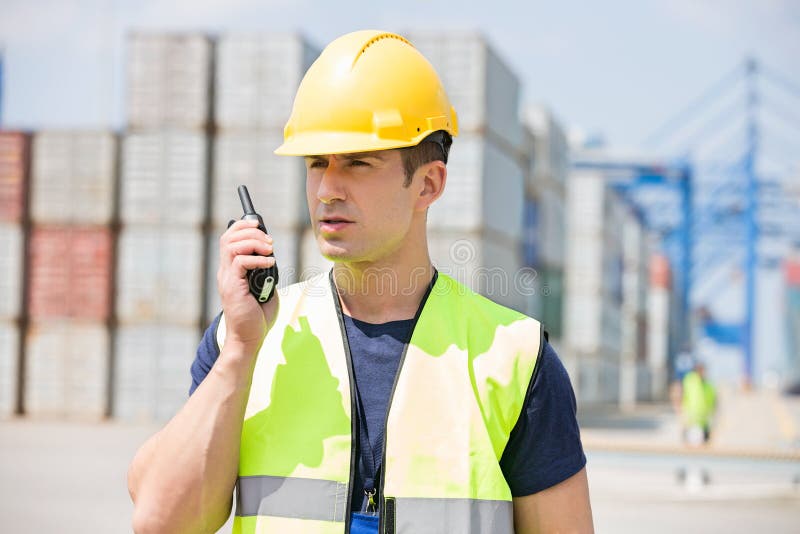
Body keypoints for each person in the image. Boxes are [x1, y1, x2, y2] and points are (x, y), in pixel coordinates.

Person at [127, 30, 593, 533]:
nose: (328, 188)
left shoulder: (515, 360)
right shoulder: (246, 339)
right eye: (316, 163)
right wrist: (239, 353)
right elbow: (160, 522)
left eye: (357, 163)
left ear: (428, 183)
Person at [681, 362, 717, 446]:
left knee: (703, 448)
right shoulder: (690, 381)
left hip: (704, 423)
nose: (702, 373)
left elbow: (713, 405)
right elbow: (682, 397)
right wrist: (682, 418)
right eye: (700, 371)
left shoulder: (709, 386)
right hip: (691, 422)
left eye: (703, 371)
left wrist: (713, 425)